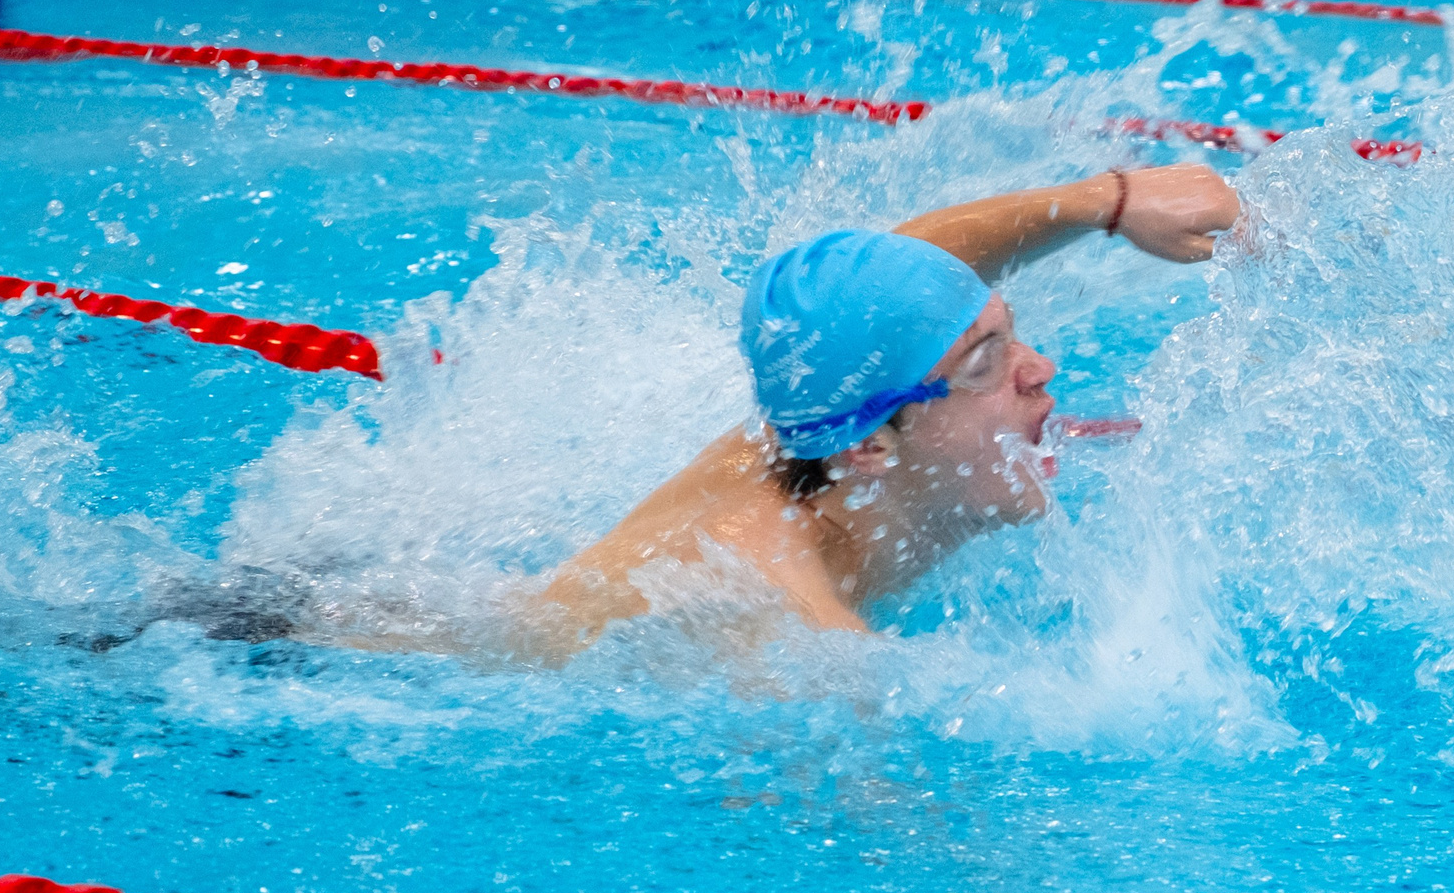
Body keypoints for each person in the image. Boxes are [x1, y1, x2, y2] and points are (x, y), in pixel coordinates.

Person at [531, 163, 1241, 646]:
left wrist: (1108, 200)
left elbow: (889, 273)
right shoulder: (784, 631)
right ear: (870, 445)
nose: (1040, 369)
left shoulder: (819, 415)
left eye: (1011, 335)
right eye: (984, 362)